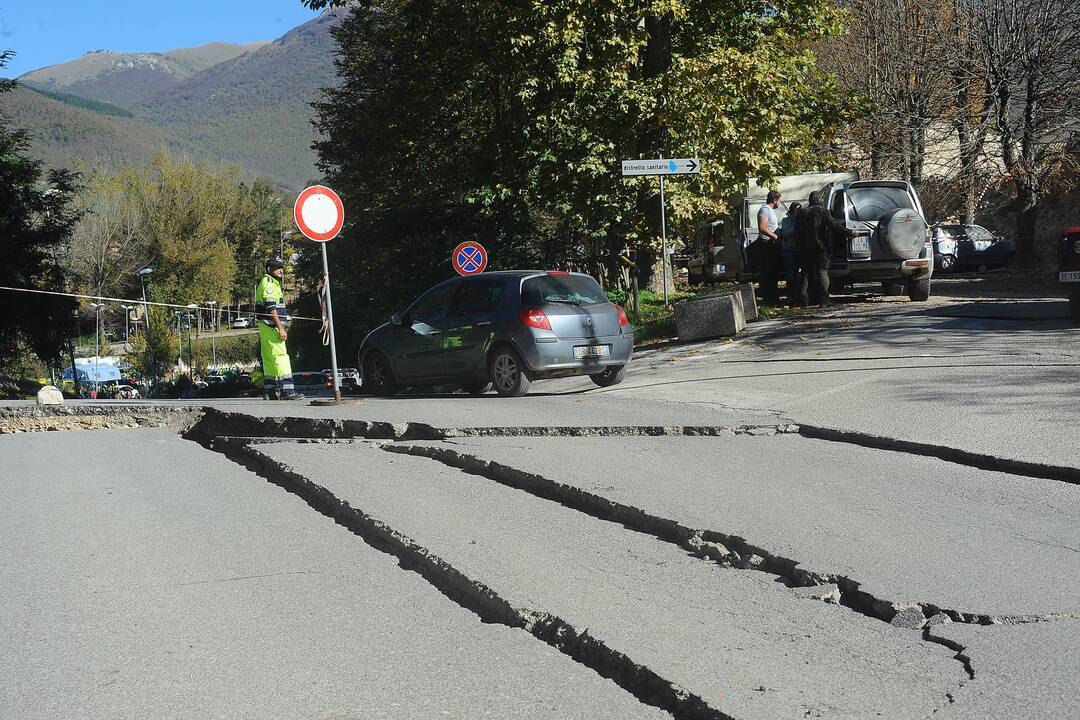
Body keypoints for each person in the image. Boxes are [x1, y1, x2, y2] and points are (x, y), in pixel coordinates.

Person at [256, 254, 304, 400]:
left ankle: (270, 391)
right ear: (269, 268)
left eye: (281, 268)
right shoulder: (269, 284)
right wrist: (281, 328)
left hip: (265, 327)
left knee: (269, 358)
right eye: (277, 268)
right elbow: (271, 308)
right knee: (281, 357)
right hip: (272, 328)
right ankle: (287, 390)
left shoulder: (266, 282)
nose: (280, 270)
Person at [795, 191, 854, 307]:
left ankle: (804, 300)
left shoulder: (802, 213)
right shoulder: (823, 211)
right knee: (822, 272)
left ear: (810, 200)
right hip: (820, 246)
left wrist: (799, 245)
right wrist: (848, 232)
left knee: (805, 273)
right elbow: (834, 225)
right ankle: (824, 300)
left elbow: (797, 232)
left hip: (805, 248)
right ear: (819, 200)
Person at [752, 190, 784, 303]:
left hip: (770, 244)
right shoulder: (765, 210)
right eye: (779, 200)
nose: (780, 202)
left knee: (773, 271)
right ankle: (769, 298)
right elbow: (762, 227)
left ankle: (773, 297)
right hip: (766, 244)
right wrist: (775, 236)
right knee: (768, 272)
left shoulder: (770, 210)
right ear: (774, 200)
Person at [779, 201, 802, 304]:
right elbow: (786, 233)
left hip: (798, 249)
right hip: (788, 249)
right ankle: (790, 295)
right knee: (790, 273)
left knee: (798, 274)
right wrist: (796, 228)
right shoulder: (785, 221)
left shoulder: (801, 220)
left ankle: (798, 295)